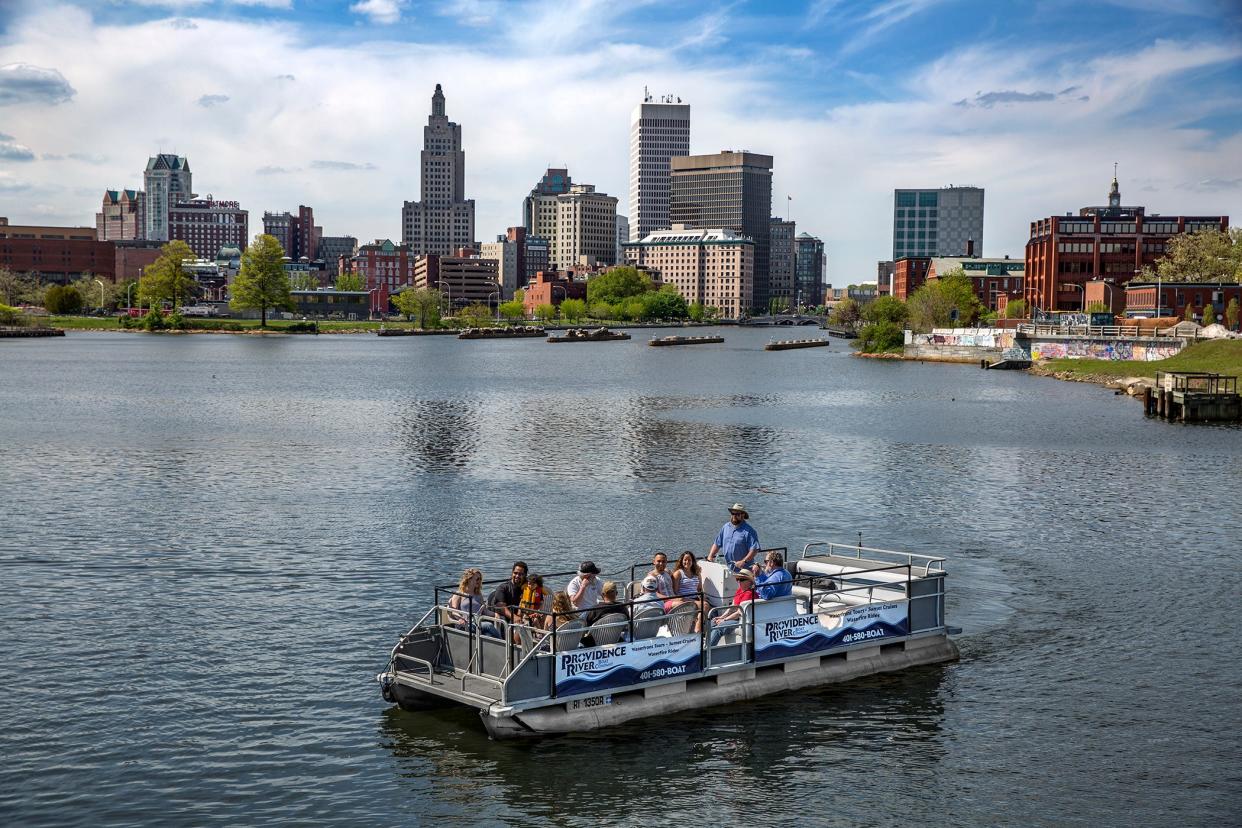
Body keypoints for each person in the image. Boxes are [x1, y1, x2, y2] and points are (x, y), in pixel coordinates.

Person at [707, 503, 761, 572]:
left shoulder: (749, 531)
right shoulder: (725, 527)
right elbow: (717, 543)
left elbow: (754, 549)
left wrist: (743, 561)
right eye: (733, 513)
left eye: (737, 514)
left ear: (743, 515)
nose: (734, 516)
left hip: (744, 570)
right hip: (729, 569)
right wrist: (710, 556)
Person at [447, 567, 501, 638]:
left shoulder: (478, 595)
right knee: (489, 625)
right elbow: (453, 611)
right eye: (477, 579)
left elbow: (485, 611)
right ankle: (504, 642)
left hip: (477, 624)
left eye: (480, 579)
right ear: (469, 579)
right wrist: (460, 618)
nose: (479, 581)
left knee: (489, 635)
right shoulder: (459, 594)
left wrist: (495, 614)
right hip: (465, 625)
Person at [709, 568, 757, 646]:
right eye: (737, 579)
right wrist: (721, 617)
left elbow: (739, 613)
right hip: (736, 618)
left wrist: (724, 620)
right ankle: (706, 646)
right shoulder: (740, 591)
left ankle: (707, 650)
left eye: (741, 579)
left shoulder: (749, 594)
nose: (738, 581)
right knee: (712, 622)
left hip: (743, 620)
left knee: (719, 627)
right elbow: (732, 607)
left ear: (749, 582)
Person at [669, 550, 706, 632]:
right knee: (705, 606)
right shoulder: (678, 573)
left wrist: (702, 599)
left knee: (706, 604)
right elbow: (675, 592)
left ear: (692, 561)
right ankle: (698, 630)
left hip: (695, 598)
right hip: (684, 599)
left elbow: (699, 589)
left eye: (689, 560)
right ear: (681, 561)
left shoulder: (697, 573)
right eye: (685, 560)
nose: (687, 562)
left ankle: (697, 624)